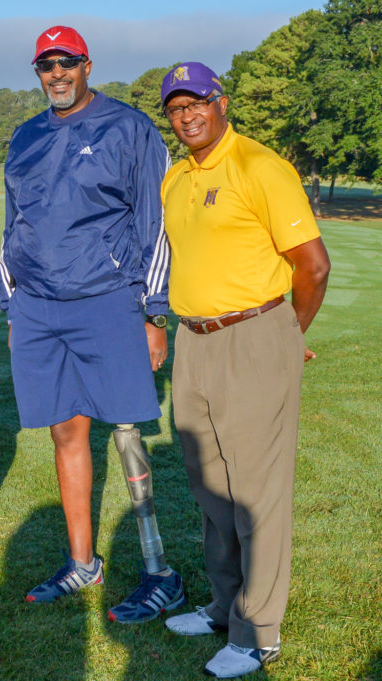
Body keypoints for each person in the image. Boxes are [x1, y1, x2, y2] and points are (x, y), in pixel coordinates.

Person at [0, 26, 184, 623]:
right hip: (38, 307)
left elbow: (156, 222)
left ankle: (161, 573)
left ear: (86, 65)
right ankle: (83, 562)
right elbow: (13, 224)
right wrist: (11, 303)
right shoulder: (25, 136)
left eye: (66, 62)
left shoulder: (129, 127)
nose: (56, 73)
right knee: (65, 432)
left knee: (127, 432)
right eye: (45, 65)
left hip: (108, 298)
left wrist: (155, 311)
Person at [159, 62, 330, 679]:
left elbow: (312, 266)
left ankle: (258, 633)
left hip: (254, 336)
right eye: (176, 108)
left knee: (257, 493)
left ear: (220, 102)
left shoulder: (261, 167)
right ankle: (224, 606)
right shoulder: (176, 177)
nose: (187, 116)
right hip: (194, 341)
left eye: (197, 103)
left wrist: (284, 338)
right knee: (211, 489)